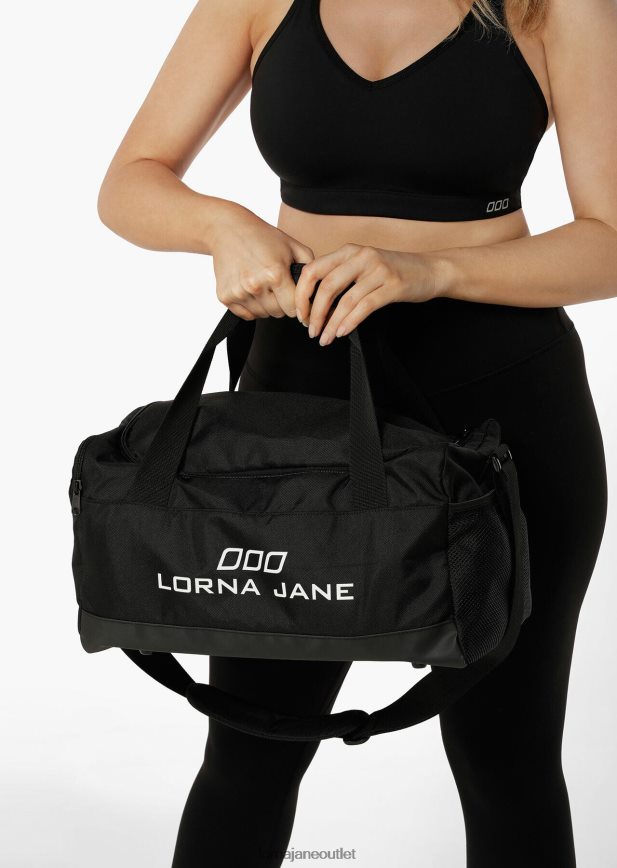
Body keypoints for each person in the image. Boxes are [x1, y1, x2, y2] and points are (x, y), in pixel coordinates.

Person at [96, 0, 616, 865]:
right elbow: (129, 181)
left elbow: (609, 239)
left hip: (502, 412)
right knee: (249, 754)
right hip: (298, 409)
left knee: (505, 759)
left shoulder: (553, 6)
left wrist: (430, 270)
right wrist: (223, 225)